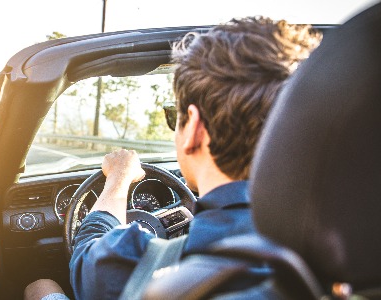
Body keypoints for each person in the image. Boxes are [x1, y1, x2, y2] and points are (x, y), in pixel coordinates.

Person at [28, 17, 321, 300]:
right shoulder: (346, 250)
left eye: (174, 117)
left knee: (40, 286)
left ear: (193, 127)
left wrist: (119, 177)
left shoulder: (136, 266)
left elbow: (89, 249)